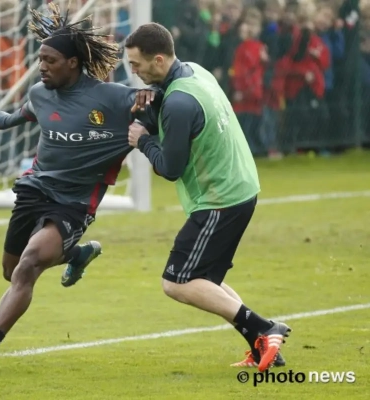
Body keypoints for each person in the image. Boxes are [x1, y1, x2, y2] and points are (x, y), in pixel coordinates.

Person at [0, 3, 157, 374]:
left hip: (74, 202)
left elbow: (160, 102)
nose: (42, 66)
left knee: (29, 265)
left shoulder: (112, 98)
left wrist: (151, 93)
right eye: (40, 59)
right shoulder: (40, 92)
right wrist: (5, 120)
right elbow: (29, 112)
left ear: (73, 63)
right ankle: (76, 254)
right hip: (34, 190)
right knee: (11, 270)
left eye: (50, 60)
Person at [123, 22, 291, 372]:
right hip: (239, 188)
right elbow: (177, 115)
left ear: (157, 60)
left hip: (220, 200)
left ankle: (264, 328)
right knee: (204, 279)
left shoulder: (179, 102)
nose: (133, 71)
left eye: (136, 64)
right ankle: (262, 345)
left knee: (177, 282)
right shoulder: (193, 72)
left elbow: (170, 167)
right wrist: (152, 102)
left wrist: (143, 140)